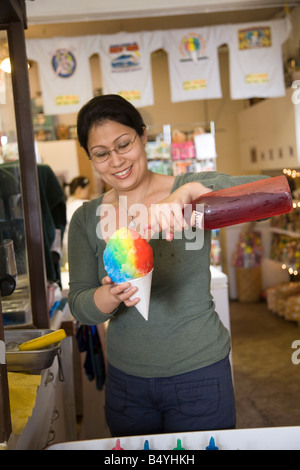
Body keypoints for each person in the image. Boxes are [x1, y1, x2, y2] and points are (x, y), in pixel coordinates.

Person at [68, 94, 268, 437]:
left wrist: (188, 192)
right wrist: (110, 295)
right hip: (127, 383)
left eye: (124, 144)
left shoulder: (190, 192)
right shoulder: (87, 218)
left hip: (200, 373)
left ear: (143, 136)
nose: (116, 161)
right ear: (91, 159)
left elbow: (266, 195)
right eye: (101, 154)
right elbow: (81, 305)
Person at [62, 176, 90, 266]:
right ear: (79, 190)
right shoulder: (82, 205)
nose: (89, 194)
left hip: (66, 249)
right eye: (88, 190)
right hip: (81, 250)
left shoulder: (66, 205)